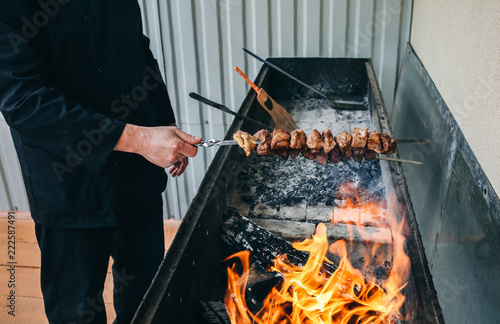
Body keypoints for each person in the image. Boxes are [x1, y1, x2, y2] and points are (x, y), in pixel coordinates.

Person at [0, 1, 201, 323]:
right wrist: (139, 139)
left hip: (138, 174)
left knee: (146, 289)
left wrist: (164, 126)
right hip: (66, 180)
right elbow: (23, 101)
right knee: (76, 306)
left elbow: (141, 55)